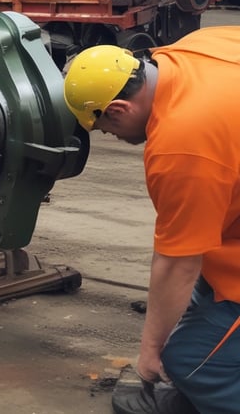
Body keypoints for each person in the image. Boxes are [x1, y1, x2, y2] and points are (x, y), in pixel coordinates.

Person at [63, 26, 240, 414]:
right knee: (192, 316)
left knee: (190, 366)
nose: (109, 135)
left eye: (104, 127)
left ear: (118, 110)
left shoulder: (182, 145)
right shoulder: (197, 47)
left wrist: (149, 355)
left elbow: (178, 262)